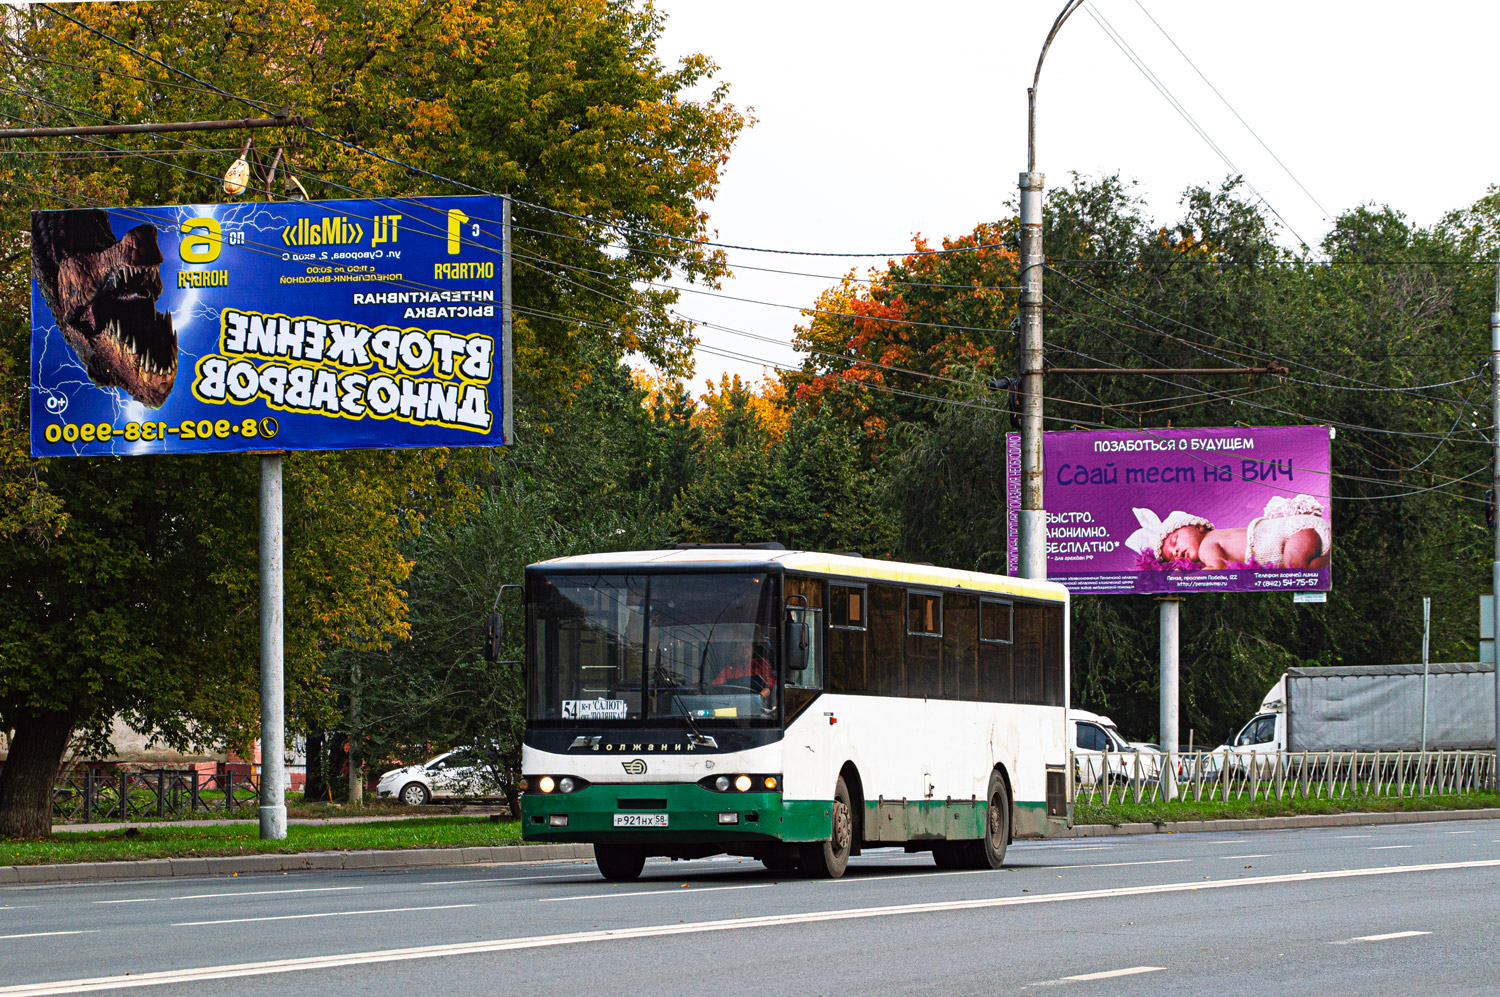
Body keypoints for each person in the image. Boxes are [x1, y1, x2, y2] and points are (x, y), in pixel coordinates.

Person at [1127, 495, 1331, 570]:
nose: (1176, 551)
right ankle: (1327, 559)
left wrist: (1182, 579)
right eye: (1171, 556)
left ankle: (1330, 561)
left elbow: (1216, 567)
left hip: (1290, 534)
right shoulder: (1210, 543)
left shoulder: (1208, 544)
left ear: (1198, 527)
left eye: (1175, 540)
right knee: (1300, 568)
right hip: (1294, 538)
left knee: (1296, 569)